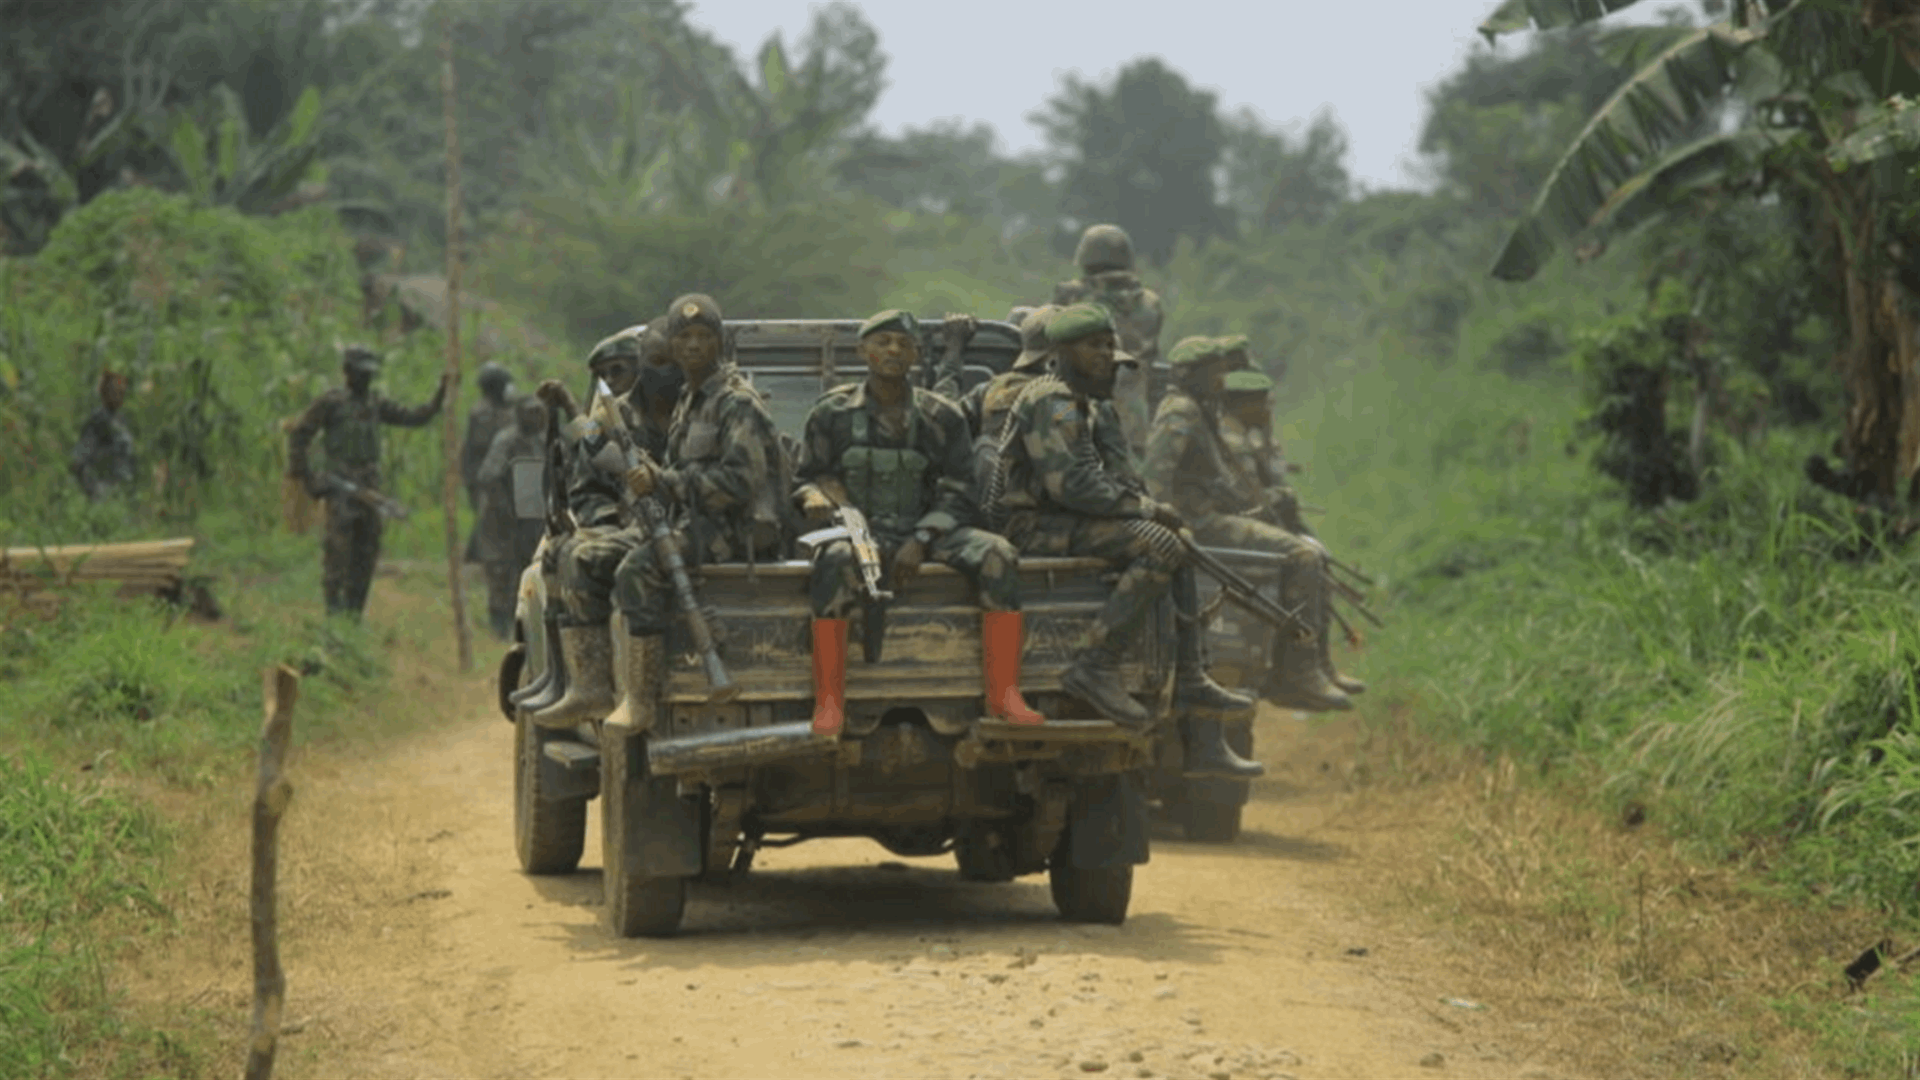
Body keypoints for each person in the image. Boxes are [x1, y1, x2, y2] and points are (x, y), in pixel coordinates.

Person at [992, 303, 1261, 779]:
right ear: (1062, 351)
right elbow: (1069, 485)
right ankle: (1094, 664)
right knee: (1158, 545)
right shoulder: (1050, 399)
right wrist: (1145, 509)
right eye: (1093, 346)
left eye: (1108, 345)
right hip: (1031, 526)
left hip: (1068, 521)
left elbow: (1123, 478)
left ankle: (1192, 677)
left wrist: (1151, 505)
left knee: (1173, 540)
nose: (1105, 356)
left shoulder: (1087, 404)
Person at [537, 294, 792, 726]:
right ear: (673, 346)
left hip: (732, 529)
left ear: (720, 343)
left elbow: (741, 482)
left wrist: (665, 481)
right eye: (685, 337)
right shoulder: (690, 400)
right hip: (688, 520)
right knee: (584, 560)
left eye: (704, 337)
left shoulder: (736, 402)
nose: (693, 346)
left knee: (636, 571)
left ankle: (643, 698)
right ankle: (591, 691)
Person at [794, 309, 1043, 736]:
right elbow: (809, 476)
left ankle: (1004, 695)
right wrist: (821, 499)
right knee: (832, 561)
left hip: (925, 527)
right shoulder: (830, 413)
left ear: (915, 355)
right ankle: (830, 703)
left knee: (997, 554)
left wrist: (923, 538)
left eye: (903, 344)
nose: (893, 350)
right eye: (883, 341)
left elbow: (960, 488)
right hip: (857, 531)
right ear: (863, 351)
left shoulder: (941, 416)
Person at [1142, 337, 1351, 712]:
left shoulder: (1198, 409)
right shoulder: (1180, 411)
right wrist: (1171, 526)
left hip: (1209, 517)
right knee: (1302, 555)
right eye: (1214, 371)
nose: (1223, 378)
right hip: (1200, 524)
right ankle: (1300, 673)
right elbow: (1156, 477)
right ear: (1192, 375)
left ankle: (1301, 668)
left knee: (1302, 550)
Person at [519, 324, 673, 719]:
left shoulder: (682, 405)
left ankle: (592, 685)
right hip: (623, 522)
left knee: (585, 557)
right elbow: (592, 452)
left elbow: (607, 454)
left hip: (663, 521)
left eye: (618, 371)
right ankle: (570, 678)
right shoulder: (617, 413)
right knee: (562, 552)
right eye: (602, 376)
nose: (610, 382)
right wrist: (571, 406)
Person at [1217, 365, 1365, 697]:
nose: (1269, 409)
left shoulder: (1237, 435)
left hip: (1236, 522)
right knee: (1307, 556)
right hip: (1223, 526)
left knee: (1313, 551)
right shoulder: (1233, 440)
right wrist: (1277, 499)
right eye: (1263, 403)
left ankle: (1318, 664)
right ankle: (1300, 668)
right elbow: (1243, 500)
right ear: (1243, 403)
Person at [286, 345, 448, 618]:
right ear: (347, 372)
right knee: (338, 552)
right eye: (361, 373)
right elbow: (300, 435)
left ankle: (354, 614)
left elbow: (413, 417)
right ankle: (334, 615)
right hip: (340, 487)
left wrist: (440, 396)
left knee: (366, 552)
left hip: (369, 488)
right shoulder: (332, 402)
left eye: (369, 374)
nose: (366, 379)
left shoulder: (375, 403)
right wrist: (306, 477)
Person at [1052, 224, 1164, 455]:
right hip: (1133, 418)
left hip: (1075, 415)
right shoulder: (1151, 303)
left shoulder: (1071, 296)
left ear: (1085, 257)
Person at [475, 395, 548, 640]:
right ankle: (499, 626)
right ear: (519, 414)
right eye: (531, 412)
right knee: (501, 571)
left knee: (529, 570)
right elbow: (488, 477)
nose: (537, 417)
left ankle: (526, 624)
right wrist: (506, 509)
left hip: (532, 518)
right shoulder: (507, 440)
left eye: (540, 412)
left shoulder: (542, 440)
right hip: (502, 520)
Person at [71, 370, 136, 500]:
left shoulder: (121, 421)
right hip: (104, 495)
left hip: (121, 494)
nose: (120, 393)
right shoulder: (99, 421)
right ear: (105, 391)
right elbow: (78, 461)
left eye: (122, 390)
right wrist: (95, 490)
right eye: (116, 390)